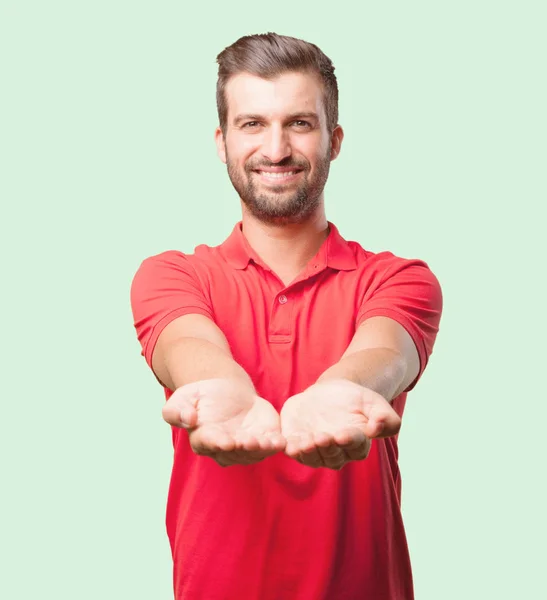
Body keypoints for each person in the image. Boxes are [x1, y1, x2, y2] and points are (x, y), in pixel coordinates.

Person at [130, 32, 443, 600]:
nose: (276, 149)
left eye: (299, 123)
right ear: (222, 142)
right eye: (253, 124)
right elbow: (187, 344)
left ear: (335, 139)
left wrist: (342, 390)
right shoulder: (173, 275)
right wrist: (218, 386)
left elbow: (384, 351)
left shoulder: (399, 279)